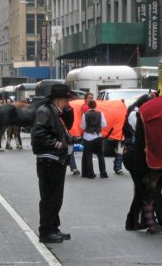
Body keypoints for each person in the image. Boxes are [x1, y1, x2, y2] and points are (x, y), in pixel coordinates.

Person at [31, 83, 73, 244]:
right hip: (49, 160)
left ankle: (53, 227)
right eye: (66, 100)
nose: (68, 104)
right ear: (58, 99)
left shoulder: (55, 112)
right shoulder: (45, 112)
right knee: (49, 197)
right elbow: (39, 134)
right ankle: (46, 231)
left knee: (56, 197)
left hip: (55, 160)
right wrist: (57, 144)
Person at [80, 99, 107, 178]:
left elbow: (83, 126)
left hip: (87, 136)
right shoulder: (100, 113)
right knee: (100, 155)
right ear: (95, 105)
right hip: (98, 136)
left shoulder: (85, 114)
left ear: (88, 106)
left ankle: (90, 173)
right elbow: (104, 125)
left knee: (88, 155)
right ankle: (103, 173)